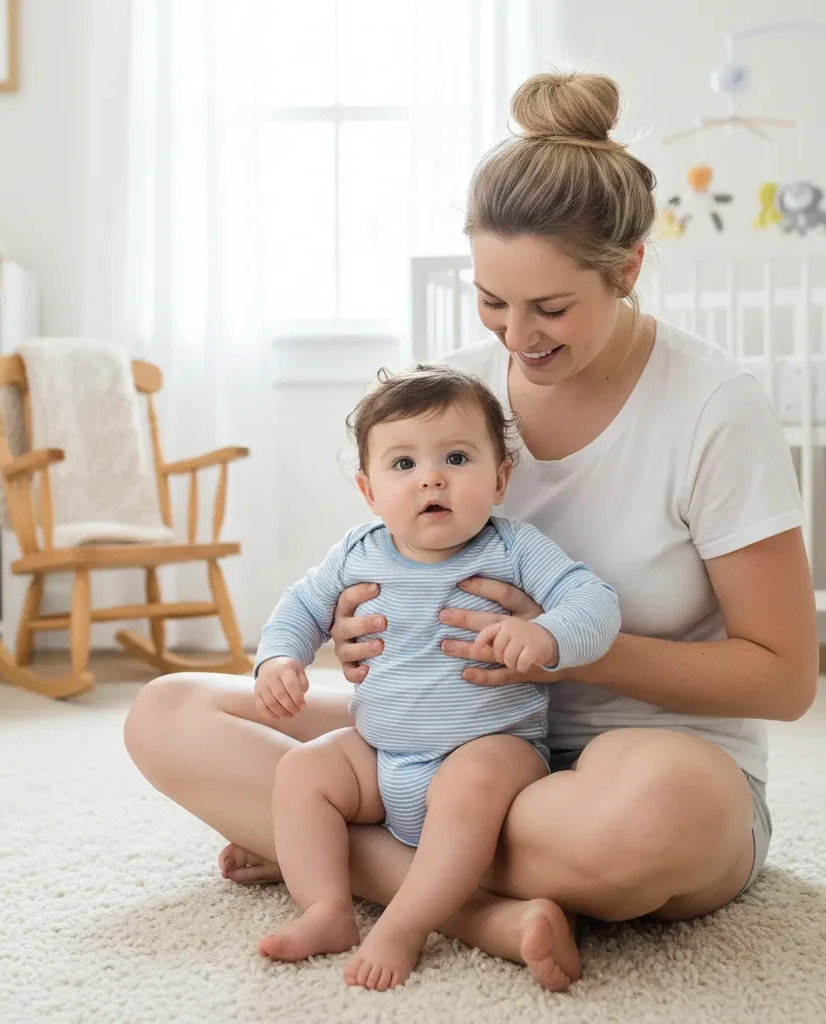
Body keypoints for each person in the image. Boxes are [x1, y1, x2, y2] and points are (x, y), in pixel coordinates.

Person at [122, 70, 818, 993]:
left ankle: (339, 860)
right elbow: (380, 551)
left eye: (552, 308)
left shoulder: (712, 407)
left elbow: (783, 678)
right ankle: (468, 903)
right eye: (492, 300)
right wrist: (350, 633)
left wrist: (568, 654)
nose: (516, 337)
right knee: (167, 713)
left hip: (643, 755)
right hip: (438, 729)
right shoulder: (455, 394)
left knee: (654, 821)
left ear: (629, 269)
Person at [252, 364, 620, 991]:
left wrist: (547, 635)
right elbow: (301, 605)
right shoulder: (357, 550)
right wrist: (279, 657)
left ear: (500, 479)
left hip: (493, 748)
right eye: (403, 465)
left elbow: (595, 602)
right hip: (382, 752)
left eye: (456, 457)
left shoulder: (514, 549)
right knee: (301, 772)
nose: (431, 477)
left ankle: (404, 925)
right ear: (369, 492)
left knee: (469, 783)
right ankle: (326, 909)